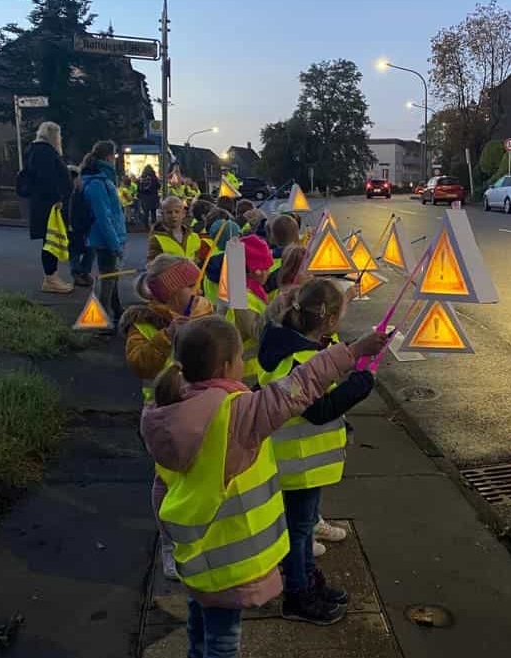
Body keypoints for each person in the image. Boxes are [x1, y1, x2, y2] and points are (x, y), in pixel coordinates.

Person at [140, 316, 386, 657]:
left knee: (199, 621)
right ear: (227, 366)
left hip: (192, 550)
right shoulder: (238, 415)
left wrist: (170, 541)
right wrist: (354, 351)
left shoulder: (166, 410)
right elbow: (299, 386)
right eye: (241, 358)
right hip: (230, 559)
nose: (245, 364)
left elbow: (160, 487)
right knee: (224, 639)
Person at [258, 278, 378, 624]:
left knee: (303, 528)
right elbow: (319, 410)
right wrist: (362, 382)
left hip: (298, 461)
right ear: (327, 321)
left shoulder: (288, 341)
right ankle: (297, 595)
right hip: (296, 463)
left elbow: (329, 357)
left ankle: (309, 582)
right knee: (298, 532)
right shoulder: (298, 356)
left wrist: (356, 350)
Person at [119, 254, 214, 580]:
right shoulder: (143, 322)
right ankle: (170, 545)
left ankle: (197, 536)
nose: (197, 290)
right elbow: (139, 364)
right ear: (171, 292)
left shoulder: (201, 310)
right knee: (168, 483)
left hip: (199, 408)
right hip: (162, 417)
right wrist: (168, 335)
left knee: (197, 478)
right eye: (190, 285)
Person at [22, 121, 74, 293]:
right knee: (50, 241)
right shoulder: (44, 152)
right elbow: (47, 179)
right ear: (53, 135)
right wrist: (57, 198)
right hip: (49, 205)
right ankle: (50, 279)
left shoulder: (37, 151)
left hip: (45, 204)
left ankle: (52, 277)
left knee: (50, 240)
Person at [80, 140, 126, 326]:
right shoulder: (98, 182)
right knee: (107, 279)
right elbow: (103, 216)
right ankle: (102, 321)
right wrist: (115, 244)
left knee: (112, 276)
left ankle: (116, 309)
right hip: (106, 239)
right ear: (109, 156)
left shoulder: (100, 179)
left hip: (108, 237)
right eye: (114, 156)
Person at [223, 234, 273, 388]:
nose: (267, 273)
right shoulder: (241, 297)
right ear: (251, 270)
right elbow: (260, 332)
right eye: (264, 268)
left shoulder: (240, 287)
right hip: (247, 373)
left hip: (250, 368)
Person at [65, 165, 95, 287]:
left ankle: (83, 272)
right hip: (73, 227)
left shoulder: (79, 192)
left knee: (89, 249)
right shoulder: (69, 193)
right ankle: (78, 273)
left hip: (82, 225)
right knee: (75, 251)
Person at [147, 196, 202, 263]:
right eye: (169, 212)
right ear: (162, 215)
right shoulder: (156, 239)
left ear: (183, 213)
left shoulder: (194, 236)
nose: (173, 215)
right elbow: (152, 266)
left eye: (177, 211)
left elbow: (198, 261)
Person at [138, 165, 161, 230]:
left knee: (146, 213)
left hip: (145, 198)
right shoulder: (154, 178)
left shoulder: (141, 178)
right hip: (153, 197)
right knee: (153, 213)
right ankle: (154, 226)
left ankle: (146, 227)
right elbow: (158, 186)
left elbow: (139, 189)